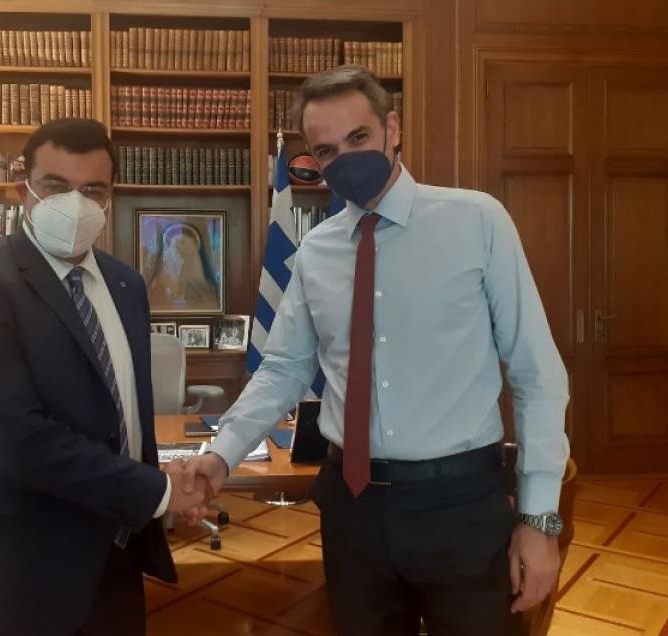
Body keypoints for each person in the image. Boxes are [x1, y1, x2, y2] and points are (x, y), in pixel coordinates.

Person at [183, 65, 570, 636]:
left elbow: (537, 373)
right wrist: (222, 454)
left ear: (393, 129)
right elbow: (284, 367)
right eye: (326, 150)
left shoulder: (476, 221)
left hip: (461, 504)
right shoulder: (316, 251)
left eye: (358, 137)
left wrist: (539, 521)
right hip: (353, 510)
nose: (345, 158)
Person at [0, 118, 210, 636]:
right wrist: (158, 491)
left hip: (115, 558)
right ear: (23, 190)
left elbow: (126, 415)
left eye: (92, 190)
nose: (75, 203)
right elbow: (20, 439)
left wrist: (159, 494)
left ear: (109, 200)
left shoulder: (126, 285)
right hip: (15, 573)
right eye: (56, 186)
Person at [146, 221, 220, 311]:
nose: (181, 254)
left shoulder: (207, 289)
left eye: (186, 248)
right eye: (176, 248)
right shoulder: (156, 286)